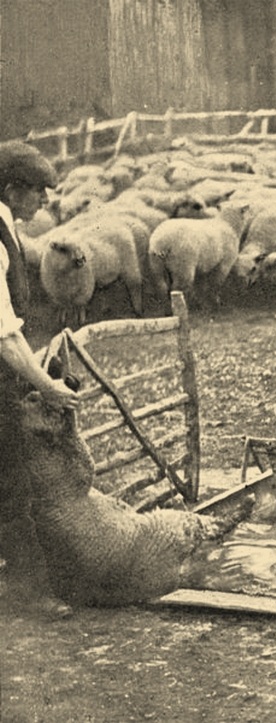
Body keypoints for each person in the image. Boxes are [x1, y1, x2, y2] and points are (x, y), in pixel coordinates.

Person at [0, 140, 80, 613]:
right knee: (12, 484)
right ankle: (30, 594)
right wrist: (44, 383)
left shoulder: (8, 230)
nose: (44, 202)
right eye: (37, 193)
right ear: (12, 190)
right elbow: (4, 334)